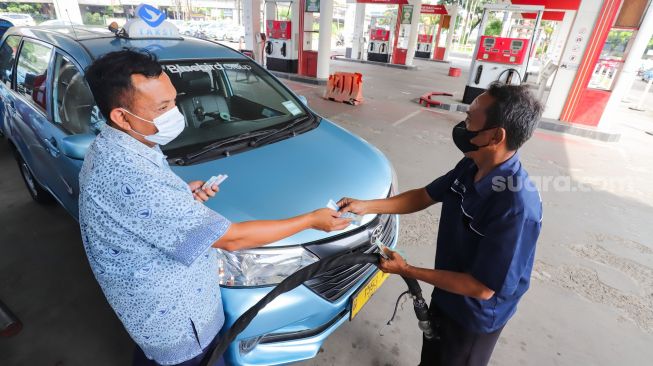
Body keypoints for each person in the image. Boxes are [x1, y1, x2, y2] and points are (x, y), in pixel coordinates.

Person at [80, 50, 350, 366]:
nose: (175, 113)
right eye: (162, 107)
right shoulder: (130, 173)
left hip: (156, 314)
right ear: (121, 117)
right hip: (178, 325)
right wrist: (310, 220)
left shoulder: (122, 145)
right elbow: (232, 239)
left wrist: (181, 195)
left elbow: (145, 212)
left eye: (173, 101)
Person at [339, 82, 544, 366]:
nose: (463, 124)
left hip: (474, 316)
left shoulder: (515, 206)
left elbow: (482, 288)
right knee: (432, 353)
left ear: (495, 135)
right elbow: (424, 196)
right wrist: (366, 206)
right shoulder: (472, 165)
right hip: (448, 290)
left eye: (471, 118)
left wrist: (406, 269)